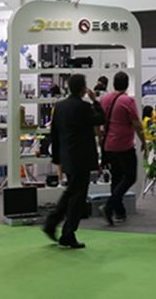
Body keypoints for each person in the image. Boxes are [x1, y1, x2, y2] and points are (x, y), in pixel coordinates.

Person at [43, 74, 104, 249]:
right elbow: (101, 119)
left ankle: (55, 225)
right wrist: (95, 101)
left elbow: (54, 133)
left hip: (67, 156)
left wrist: (57, 157)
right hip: (82, 157)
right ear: (83, 88)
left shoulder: (60, 106)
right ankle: (64, 231)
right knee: (77, 196)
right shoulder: (84, 107)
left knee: (72, 192)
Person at [99, 72, 147, 225]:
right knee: (130, 177)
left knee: (116, 177)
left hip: (108, 144)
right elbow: (136, 123)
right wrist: (144, 141)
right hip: (124, 145)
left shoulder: (104, 99)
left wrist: (100, 140)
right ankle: (109, 206)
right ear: (127, 84)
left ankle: (119, 212)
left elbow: (99, 121)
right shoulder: (127, 101)